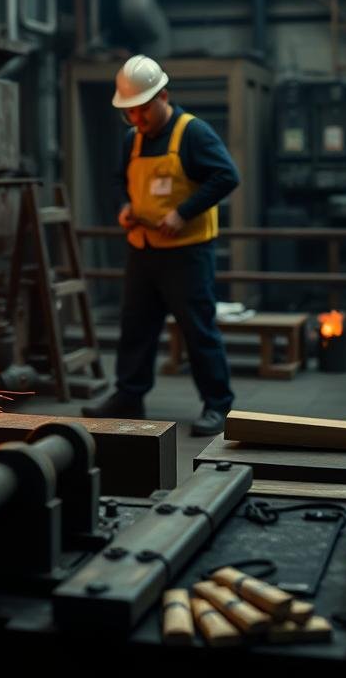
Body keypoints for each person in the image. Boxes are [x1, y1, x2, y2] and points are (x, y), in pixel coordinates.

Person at [82, 55, 239, 435]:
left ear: (163, 96)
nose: (137, 120)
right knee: (135, 325)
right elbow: (119, 180)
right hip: (143, 248)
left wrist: (183, 212)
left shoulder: (193, 133)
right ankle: (129, 394)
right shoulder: (131, 139)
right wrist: (124, 206)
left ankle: (218, 405)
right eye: (130, 113)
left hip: (187, 252)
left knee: (198, 328)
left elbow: (225, 176)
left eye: (142, 111)